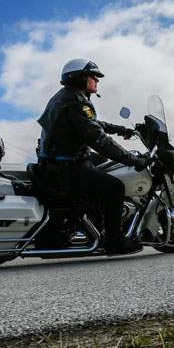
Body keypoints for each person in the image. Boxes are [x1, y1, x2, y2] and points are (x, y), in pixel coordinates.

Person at [36, 58, 148, 255]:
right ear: (80, 78)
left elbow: (92, 124)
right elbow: (99, 140)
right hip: (66, 168)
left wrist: (121, 129)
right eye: (93, 76)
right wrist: (132, 160)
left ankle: (94, 221)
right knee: (115, 187)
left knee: (105, 164)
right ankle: (114, 242)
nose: (97, 80)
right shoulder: (76, 102)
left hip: (60, 160)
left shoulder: (68, 97)